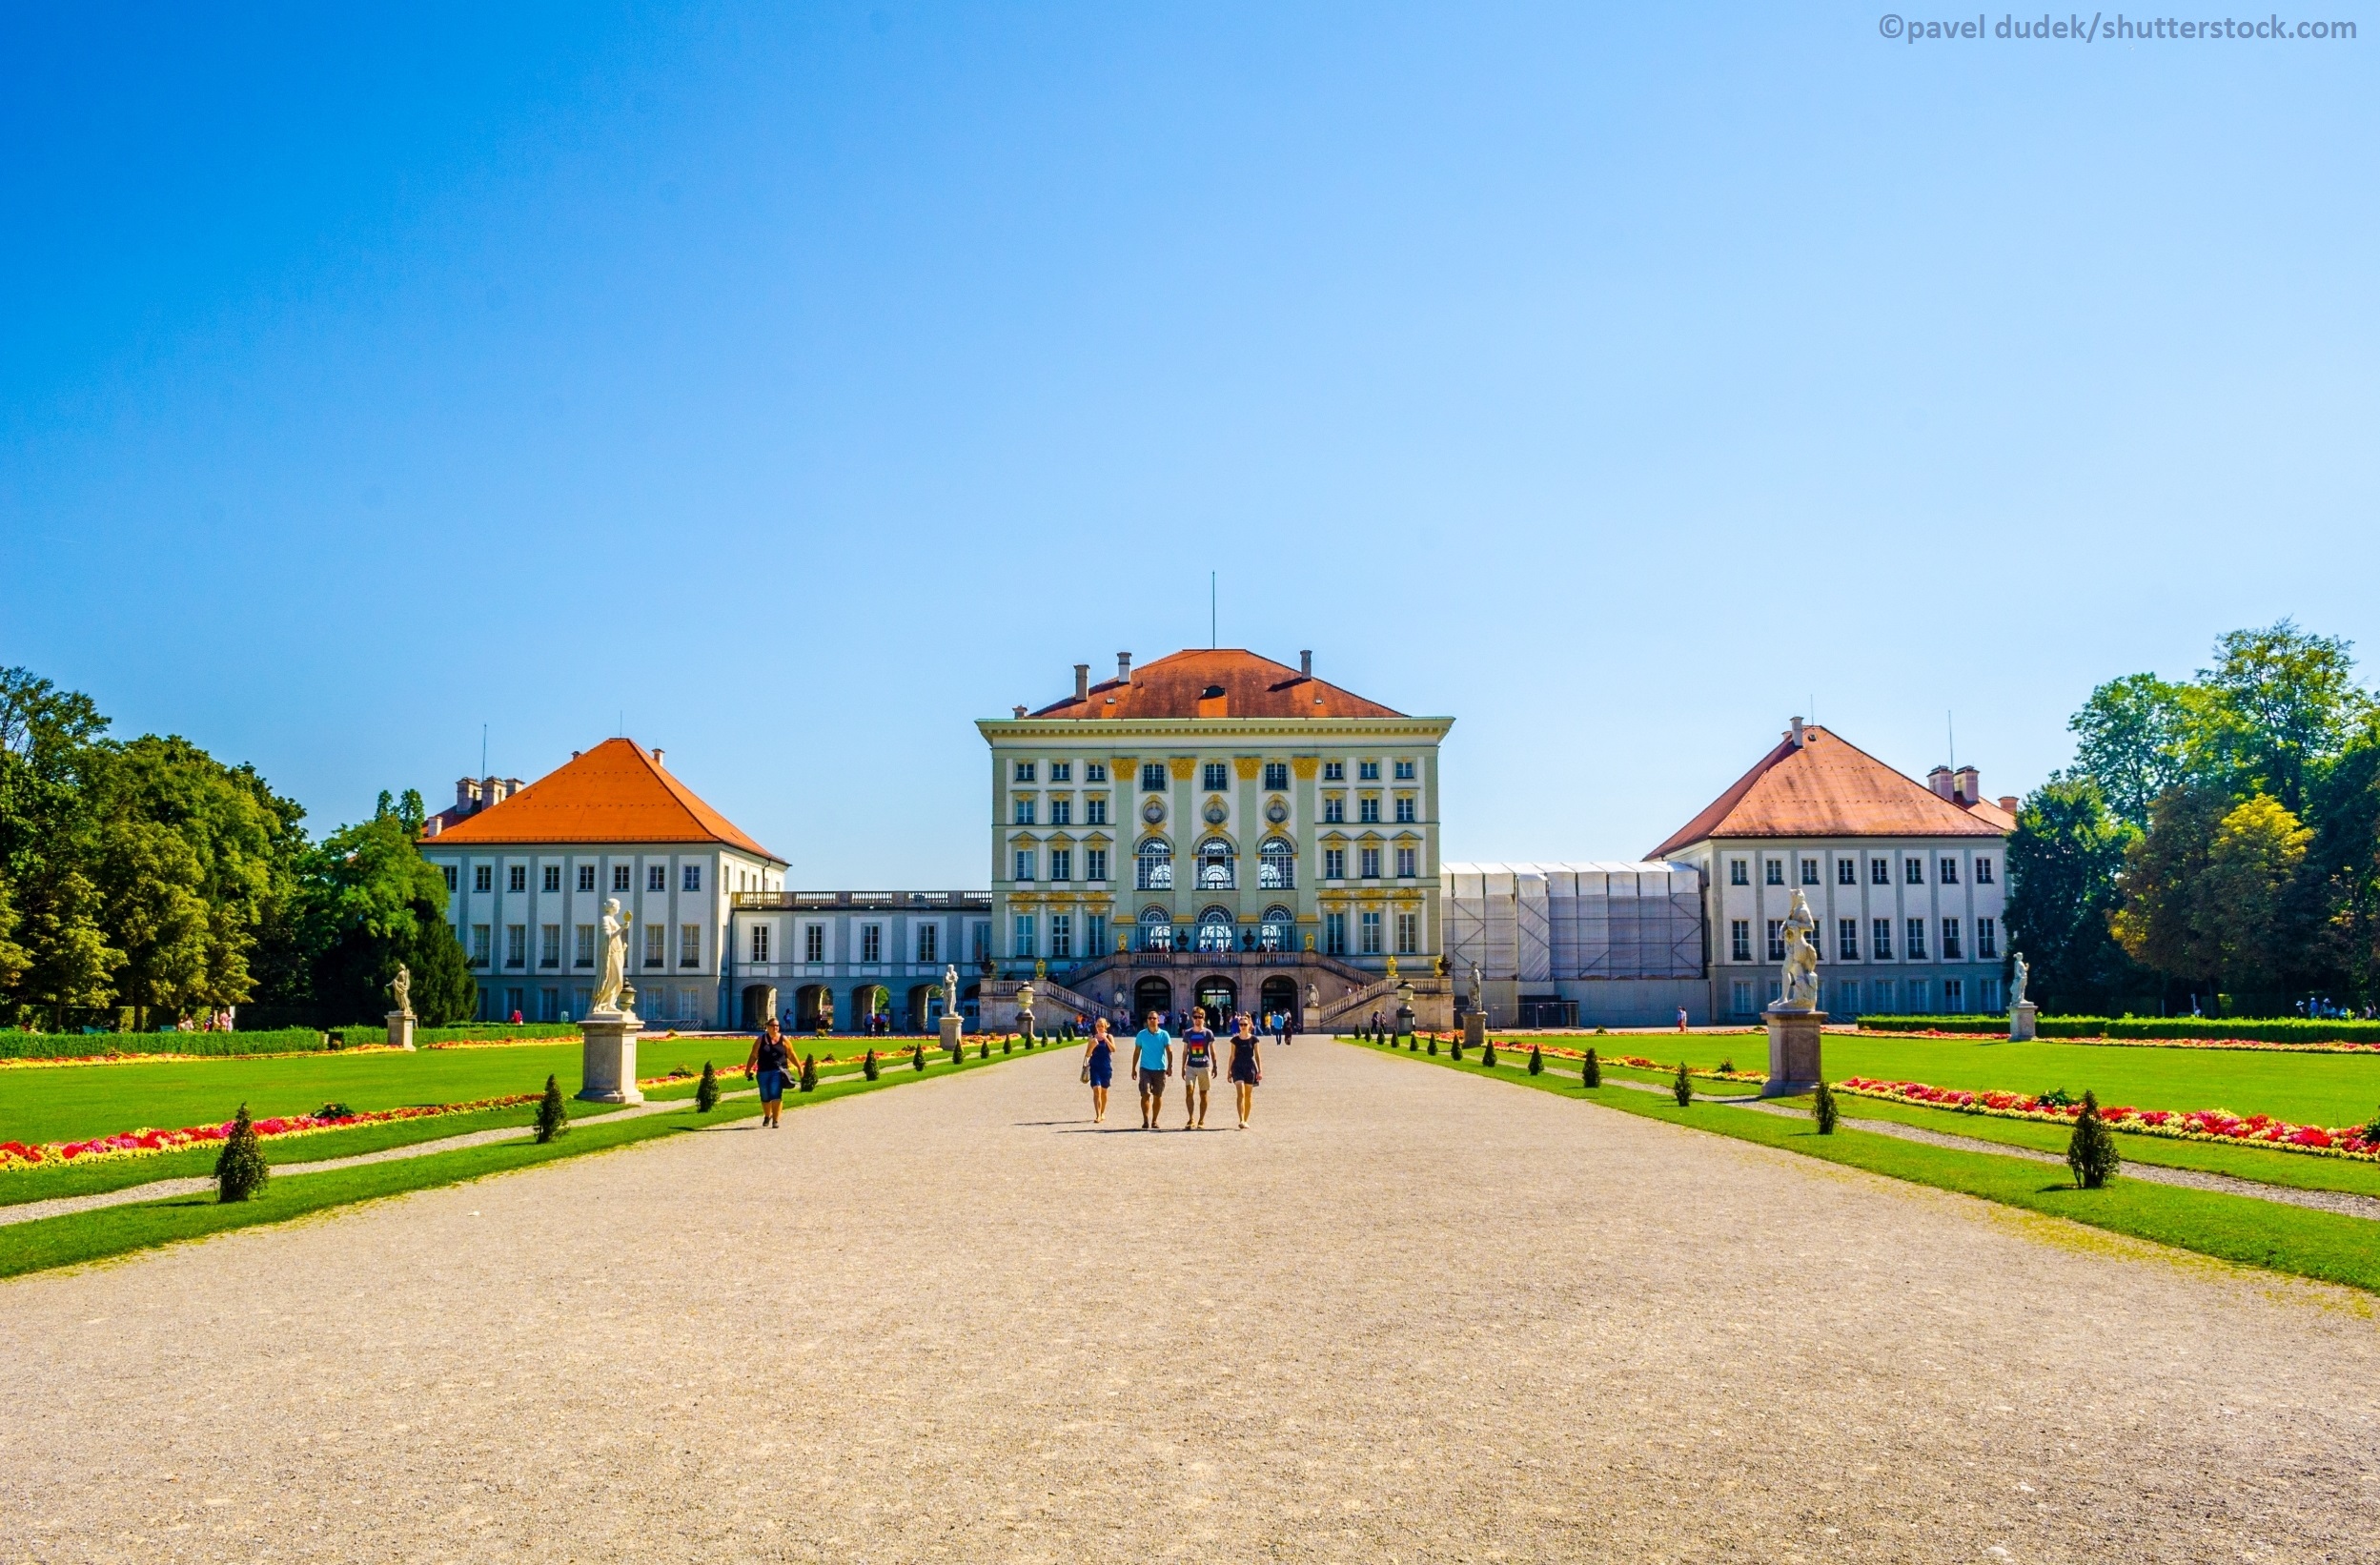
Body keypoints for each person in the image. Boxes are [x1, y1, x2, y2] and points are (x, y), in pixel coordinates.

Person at [744, 1015, 792, 1129]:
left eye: (777, 1026)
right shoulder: (760, 1040)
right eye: (773, 1026)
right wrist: (747, 1070)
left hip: (777, 1071)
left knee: (776, 1094)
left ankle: (775, 1120)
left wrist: (800, 1068)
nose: (775, 1028)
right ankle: (767, 1115)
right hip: (763, 1071)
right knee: (765, 1096)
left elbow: (791, 1054)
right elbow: (753, 1056)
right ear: (767, 1027)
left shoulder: (783, 1039)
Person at [1132, 1010, 1173, 1130]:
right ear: (1147, 1020)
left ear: (1158, 1020)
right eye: (1149, 1018)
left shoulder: (1164, 1035)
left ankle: (1154, 1120)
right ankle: (1145, 1120)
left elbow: (1169, 1051)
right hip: (1145, 1068)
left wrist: (1170, 1066)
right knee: (1145, 1093)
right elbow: (1136, 1052)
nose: (1151, 1020)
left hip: (1160, 1069)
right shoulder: (1141, 1035)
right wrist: (1133, 1068)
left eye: (1154, 1018)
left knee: (1157, 1095)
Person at [1178, 1007, 1216, 1129]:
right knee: (1189, 1092)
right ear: (1192, 1018)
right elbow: (1184, 1052)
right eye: (1195, 1017)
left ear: (1203, 1018)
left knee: (1203, 1094)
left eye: (1200, 1017)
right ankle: (1191, 1118)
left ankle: (1201, 1120)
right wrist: (1182, 1067)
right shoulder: (1188, 1033)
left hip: (1204, 1067)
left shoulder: (1208, 1033)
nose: (1198, 1019)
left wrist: (1215, 1066)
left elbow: (1212, 1051)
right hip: (1190, 1066)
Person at [1227, 1012, 1263, 1129]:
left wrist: (1260, 1070)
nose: (1242, 1026)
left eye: (1245, 1024)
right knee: (1240, 1093)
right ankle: (1241, 1119)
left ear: (1249, 1025)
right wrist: (1228, 1071)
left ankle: (1245, 1119)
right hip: (1237, 1066)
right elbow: (1231, 1056)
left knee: (1248, 1095)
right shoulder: (1235, 1040)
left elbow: (1257, 1055)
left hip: (1250, 1067)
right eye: (1241, 1024)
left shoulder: (1254, 1040)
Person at [1083, 1016, 1117, 1124]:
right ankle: (1097, 1115)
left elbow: (1113, 1049)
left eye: (1102, 1026)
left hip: (1106, 1067)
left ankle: (1102, 1113)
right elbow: (1087, 1054)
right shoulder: (1093, 1038)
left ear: (1105, 1027)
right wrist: (1092, 1046)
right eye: (1098, 1026)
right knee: (1096, 1089)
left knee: (1104, 1091)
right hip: (1095, 1067)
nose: (1100, 1028)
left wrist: (1106, 1039)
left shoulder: (1109, 1036)